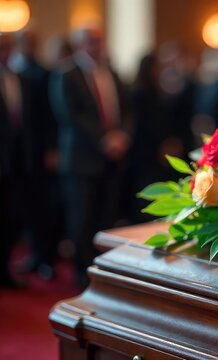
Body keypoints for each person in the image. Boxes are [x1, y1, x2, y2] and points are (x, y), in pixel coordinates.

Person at [58, 25, 132, 287]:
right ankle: (82, 274)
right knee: (82, 219)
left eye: (99, 40)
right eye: (90, 41)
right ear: (79, 44)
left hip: (112, 159)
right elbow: (71, 116)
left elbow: (126, 110)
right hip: (82, 159)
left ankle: (102, 272)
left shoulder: (111, 72)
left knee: (106, 217)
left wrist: (122, 135)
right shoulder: (67, 74)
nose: (96, 45)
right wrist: (104, 138)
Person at [11, 28, 60, 279]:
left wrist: (51, 149)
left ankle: (43, 257)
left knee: (42, 208)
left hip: (36, 155)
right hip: (13, 158)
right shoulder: (15, 73)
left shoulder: (41, 73)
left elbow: (47, 117)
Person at [129, 52, 184, 222]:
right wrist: (163, 144)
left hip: (157, 151)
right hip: (146, 153)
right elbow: (144, 125)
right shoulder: (139, 93)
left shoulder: (156, 90)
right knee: (147, 194)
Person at [0, 33, 28, 287]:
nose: (5, 52)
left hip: (16, 162)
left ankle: (5, 271)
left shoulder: (17, 77)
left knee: (10, 217)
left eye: (8, 47)